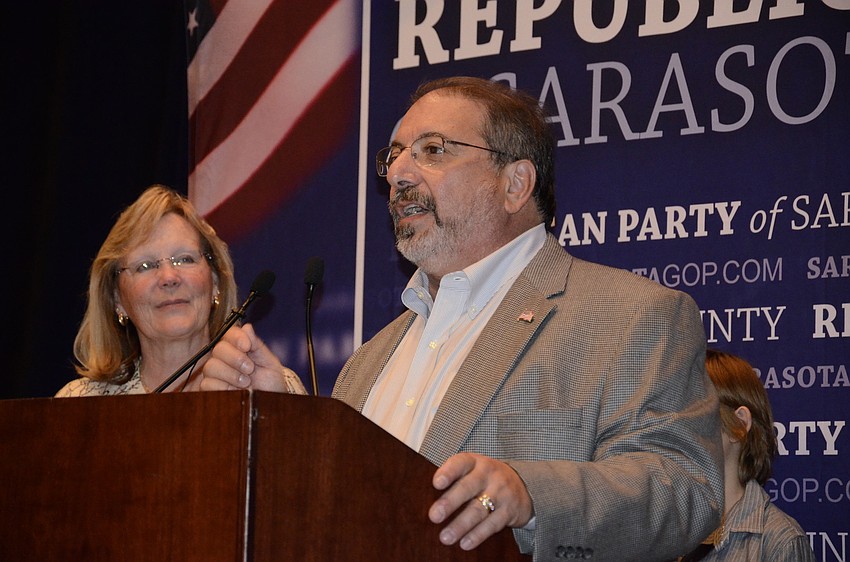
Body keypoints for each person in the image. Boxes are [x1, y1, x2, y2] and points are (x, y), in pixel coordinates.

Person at [203, 76, 724, 561]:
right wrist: (289, 423)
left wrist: (530, 492)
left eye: (433, 150)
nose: (398, 174)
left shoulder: (630, 315)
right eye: (396, 155)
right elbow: (349, 509)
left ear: (515, 184)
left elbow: (685, 489)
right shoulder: (369, 362)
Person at [56, 184, 306, 396]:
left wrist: (271, 409)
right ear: (117, 299)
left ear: (215, 283)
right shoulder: (79, 401)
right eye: (145, 265)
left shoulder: (273, 388)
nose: (169, 277)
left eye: (184, 259)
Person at [679, 349, 815, 561]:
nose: (678, 427)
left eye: (694, 412)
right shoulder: (662, 530)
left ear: (739, 425)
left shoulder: (777, 543)